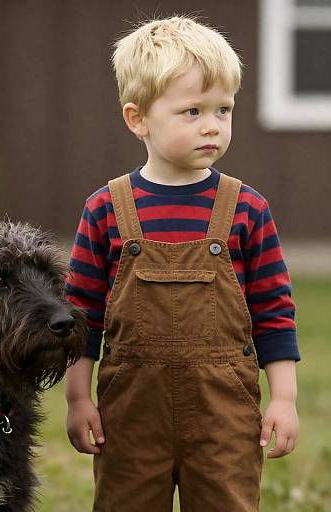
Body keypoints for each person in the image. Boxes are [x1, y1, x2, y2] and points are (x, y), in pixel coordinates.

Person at [64, 15, 301, 512]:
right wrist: (78, 399)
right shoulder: (106, 210)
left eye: (223, 109)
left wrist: (284, 399)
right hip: (132, 416)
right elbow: (81, 316)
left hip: (223, 415)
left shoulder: (247, 209)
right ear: (138, 118)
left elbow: (273, 311)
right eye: (191, 111)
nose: (212, 125)